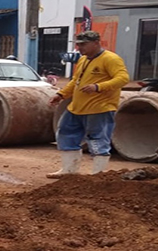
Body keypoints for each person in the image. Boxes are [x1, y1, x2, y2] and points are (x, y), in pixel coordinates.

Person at [48, 30, 129, 177]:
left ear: (96, 43)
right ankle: (69, 170)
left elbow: (123, 78)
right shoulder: (83, 60)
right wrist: (61, 95)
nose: (79, 48)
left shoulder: (110, 59)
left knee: (98, 139)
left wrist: (98, 87)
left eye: (83, 44)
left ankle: (99, 173)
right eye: (78, 45)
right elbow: (76, 81)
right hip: (77, 108)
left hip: (99, 108)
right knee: (66, 133)